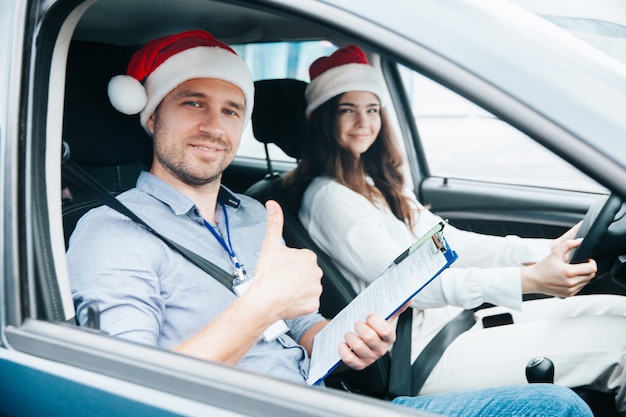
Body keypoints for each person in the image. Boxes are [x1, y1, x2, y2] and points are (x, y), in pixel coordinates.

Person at [66, 30, 594, 417]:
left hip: (320, 397)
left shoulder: (253, 215)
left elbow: (298, 332)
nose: (213, 125)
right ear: (152, 114)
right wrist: (263, 304)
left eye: (231, 111)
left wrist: (346, 341)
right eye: (192, 102)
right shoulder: (112, 233)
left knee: (553, 404)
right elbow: (126, 393)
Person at [284, 44, 626, 414]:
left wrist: (543, 251)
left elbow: (453, 242)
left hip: (452, 323)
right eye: (346, 110)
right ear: (322, 119)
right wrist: (529, 281)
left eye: (372, 109)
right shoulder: (329, 198)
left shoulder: (372, 183)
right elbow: (407, 286)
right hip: (417, 353)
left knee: (618, 313)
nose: (363, 123)